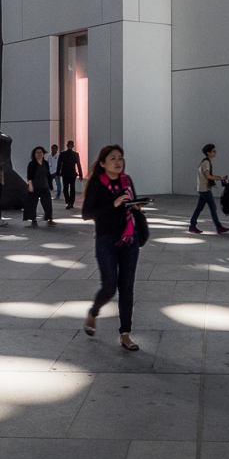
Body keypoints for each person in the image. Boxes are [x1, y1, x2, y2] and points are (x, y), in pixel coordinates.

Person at [82, 144, 143, 352]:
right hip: (106, 240)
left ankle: (125, 334)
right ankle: (94, 311)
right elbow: (86, 213)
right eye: (113, 159)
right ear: (102, 163)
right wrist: (113, 204)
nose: (118, 162)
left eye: (120, 158)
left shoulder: (127, 181)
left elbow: (130, 206)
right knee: (109, 286)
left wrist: (135, 206)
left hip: (129, 240)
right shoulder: (96, 184)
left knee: (127, 287)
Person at [188, 144, 229, 235]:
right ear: (208, 153)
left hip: (202, 188)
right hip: (205, 189)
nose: (215, 152)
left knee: (199, 208)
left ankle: (192, 226)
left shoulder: (205, 162)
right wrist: (220, 178)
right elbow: (208, 176)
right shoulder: (206, 163)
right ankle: (218, 227)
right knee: (212, 207)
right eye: (213, 151)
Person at [24, 146, 54, 226]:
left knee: (47, 203)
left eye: (41, 152)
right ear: (34, 154)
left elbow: (48, 175)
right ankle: (33, 219)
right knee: (33, 203)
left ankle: (49, 218)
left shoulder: (45, 163)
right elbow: (29, 176)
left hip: (44, 186)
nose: (39, 154)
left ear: (43, 153)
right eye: (37, 152)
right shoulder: (32, 164)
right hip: (35, 186)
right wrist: (30, 185)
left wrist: (50, 186)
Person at [59, 140, 83, 210]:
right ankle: (71, 202)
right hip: (72, 173)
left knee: (66, 188)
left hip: (65, 173)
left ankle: (68, 201)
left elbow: (59, 164)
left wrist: (58, 173)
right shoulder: (75, 154)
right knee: (72, 188)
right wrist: (80, 174)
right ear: (73, 146)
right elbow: (78, 165)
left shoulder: (63, 154)